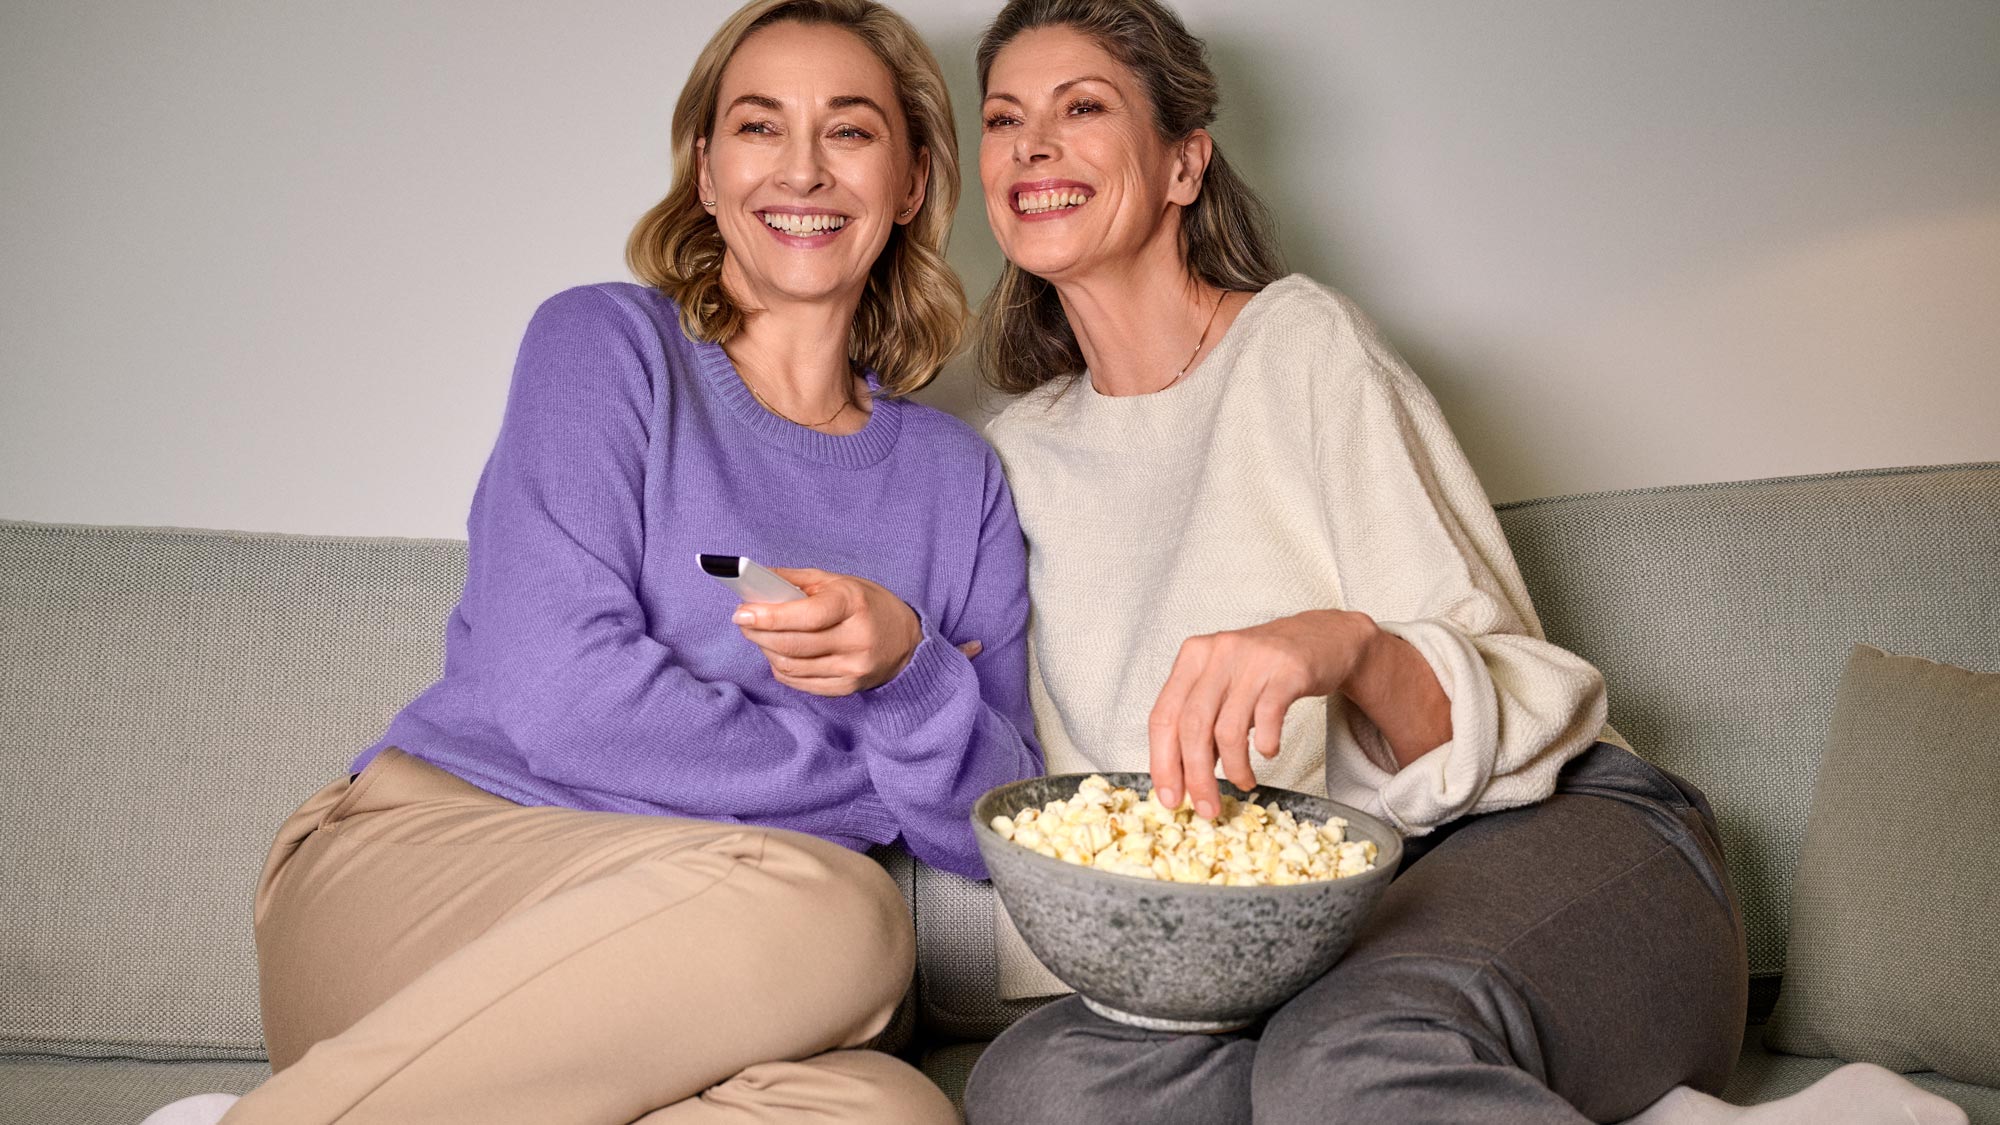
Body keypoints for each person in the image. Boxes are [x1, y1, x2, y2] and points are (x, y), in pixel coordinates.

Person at [959, 2, 1967, 1124]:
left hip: (1547, 836)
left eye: (1081, 108)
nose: (1032, 145)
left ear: (1183, 165)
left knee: (1350, 1058)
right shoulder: (1014, 459)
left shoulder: (1300, 348)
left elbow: (1492, 728)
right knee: (1040, 1088)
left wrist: (1341, 646)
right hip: (1291, 938)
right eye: (1003, 119)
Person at [142, 2, 1041, 1123]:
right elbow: (561, 699)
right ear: (706, 171)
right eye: (759, 127)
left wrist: (906, 668)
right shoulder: (606, 347)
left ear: (910, 181)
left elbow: (998, 828)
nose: (802, 169)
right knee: (848, 911)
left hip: (719, 966)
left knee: (891, 1113)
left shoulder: (957, 481)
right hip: (433, 872)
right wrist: (872, 784)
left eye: (850, 131)